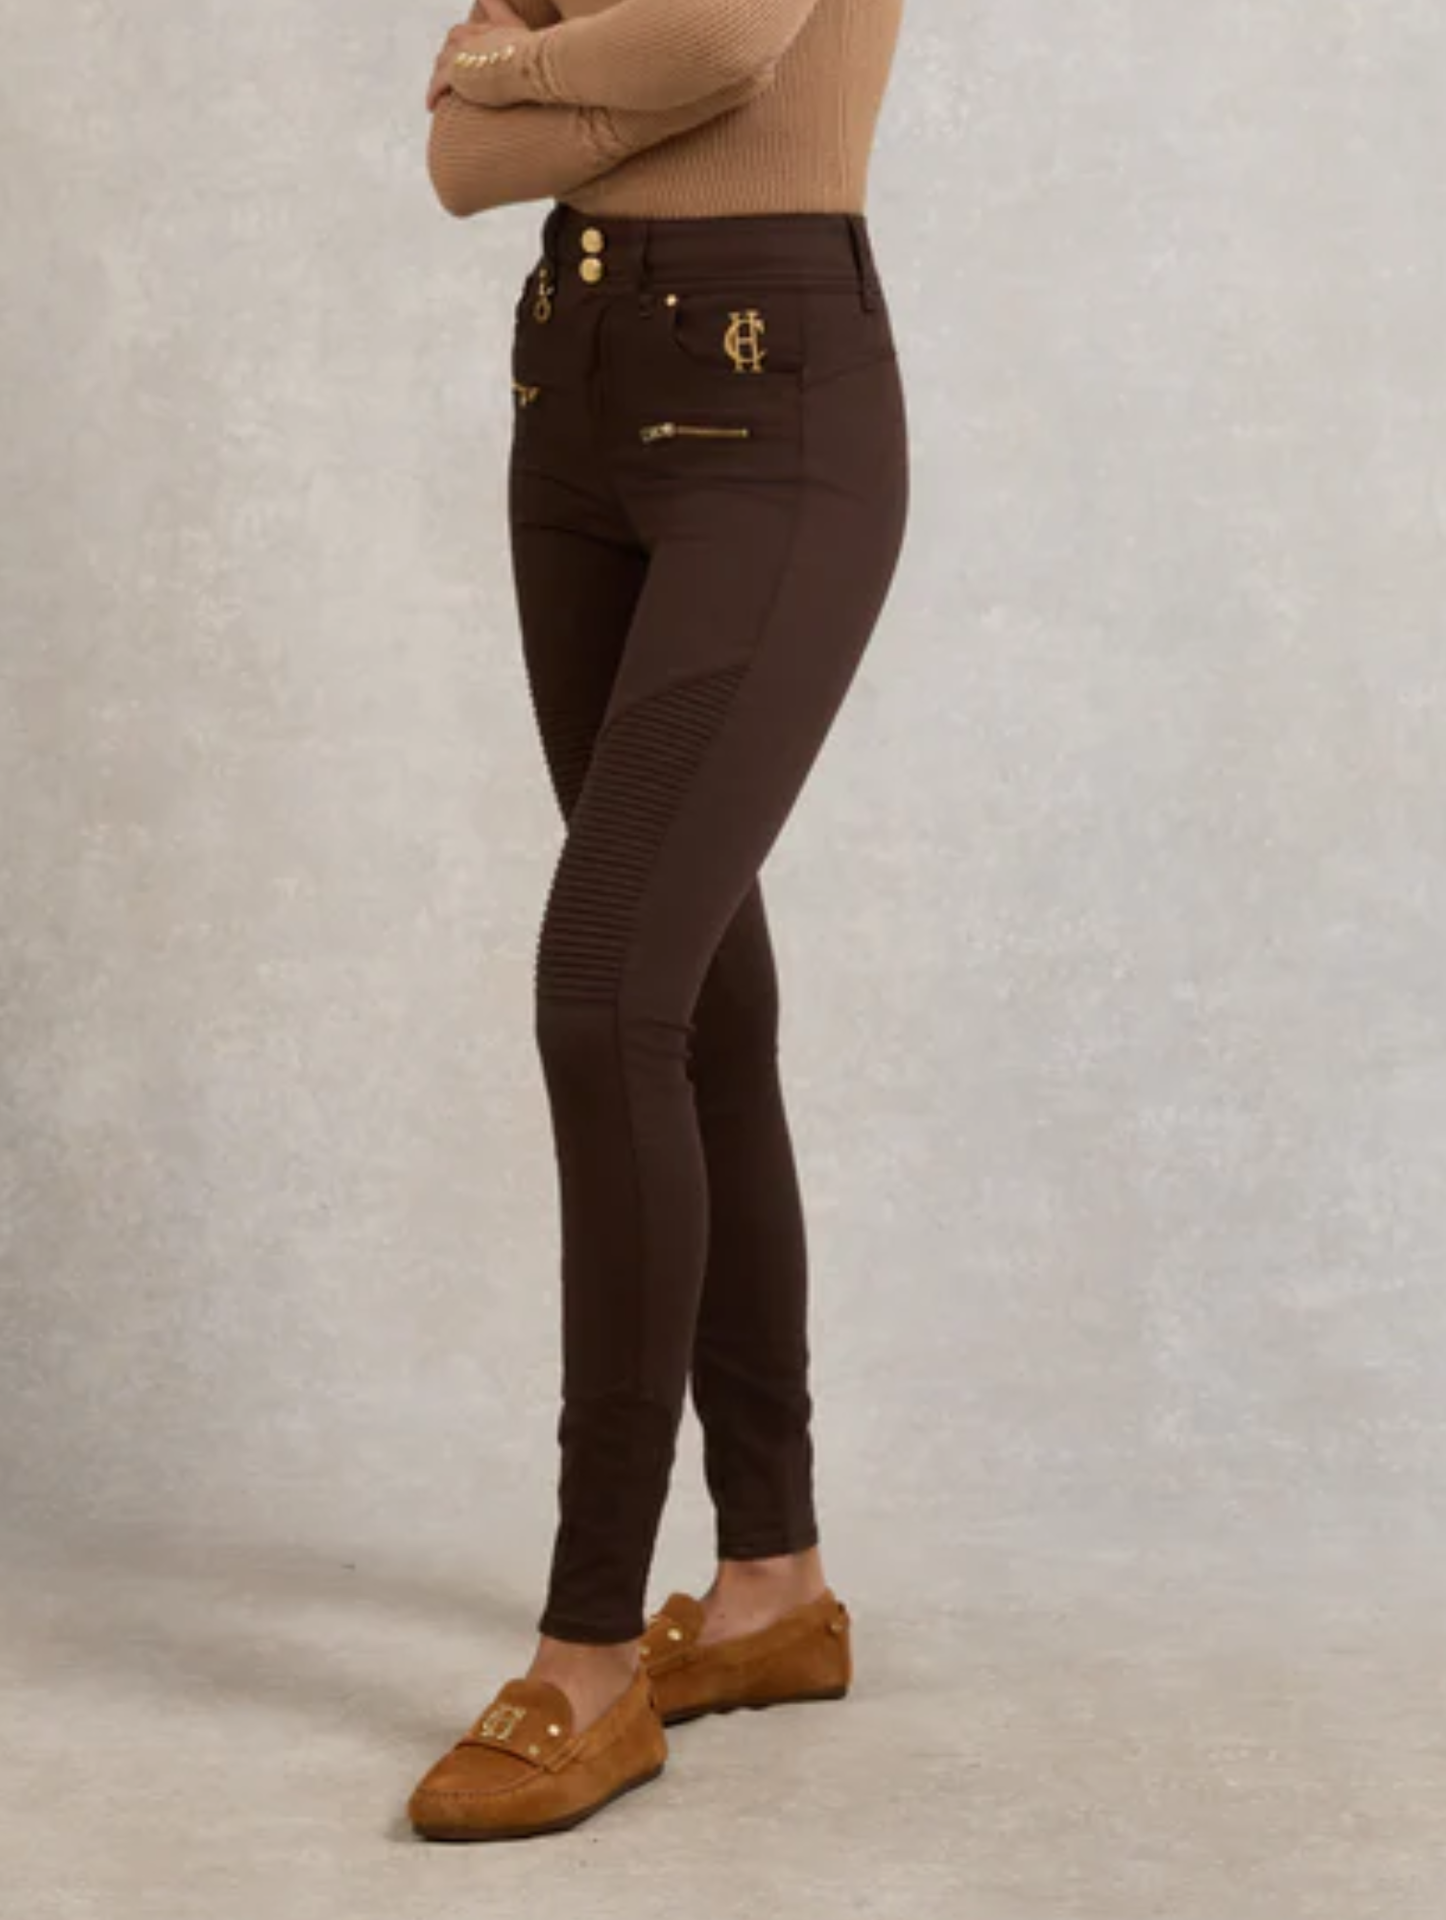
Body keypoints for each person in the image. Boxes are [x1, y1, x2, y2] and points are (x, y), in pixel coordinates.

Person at [407, 0, 908, 1841]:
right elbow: (460, 160)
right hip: (573, 399)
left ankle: (590, 1655)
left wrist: (536, 60)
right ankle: (773, 1586)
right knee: (690, 1001)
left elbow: (717, 39)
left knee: (600, 992)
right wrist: (564, 85)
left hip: (774, 402)